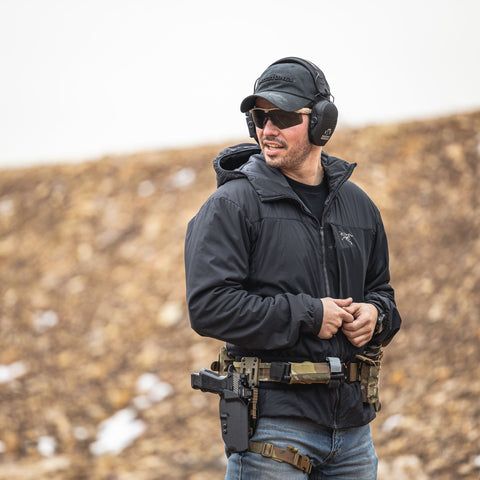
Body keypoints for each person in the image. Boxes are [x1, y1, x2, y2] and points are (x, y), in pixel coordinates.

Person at [185, 57, 401, 479]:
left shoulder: (359, 207)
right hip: (273, 433)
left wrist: (376, 316)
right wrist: (308, 314)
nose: (268, 129)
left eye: (283, 116)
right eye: (260, 117)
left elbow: (383, 293)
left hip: (353, 434)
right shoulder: (231, 206)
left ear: (322, 123)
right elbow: (209, 306)